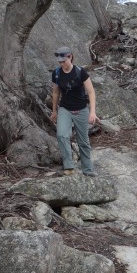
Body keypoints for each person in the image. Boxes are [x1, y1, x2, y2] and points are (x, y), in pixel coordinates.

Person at [50, 47, 97, 176]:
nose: (62, 63)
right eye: (60, 61)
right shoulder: (57, 73)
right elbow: (55, 93)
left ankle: (87, 170)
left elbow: (91, 92)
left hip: (81, 109)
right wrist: (54, 111)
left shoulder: (80, 72)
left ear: (70, 57)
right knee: (62, 135)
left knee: (83, 141)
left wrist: (92, 112)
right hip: (65, 108)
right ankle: (69, 166)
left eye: (64, 60)